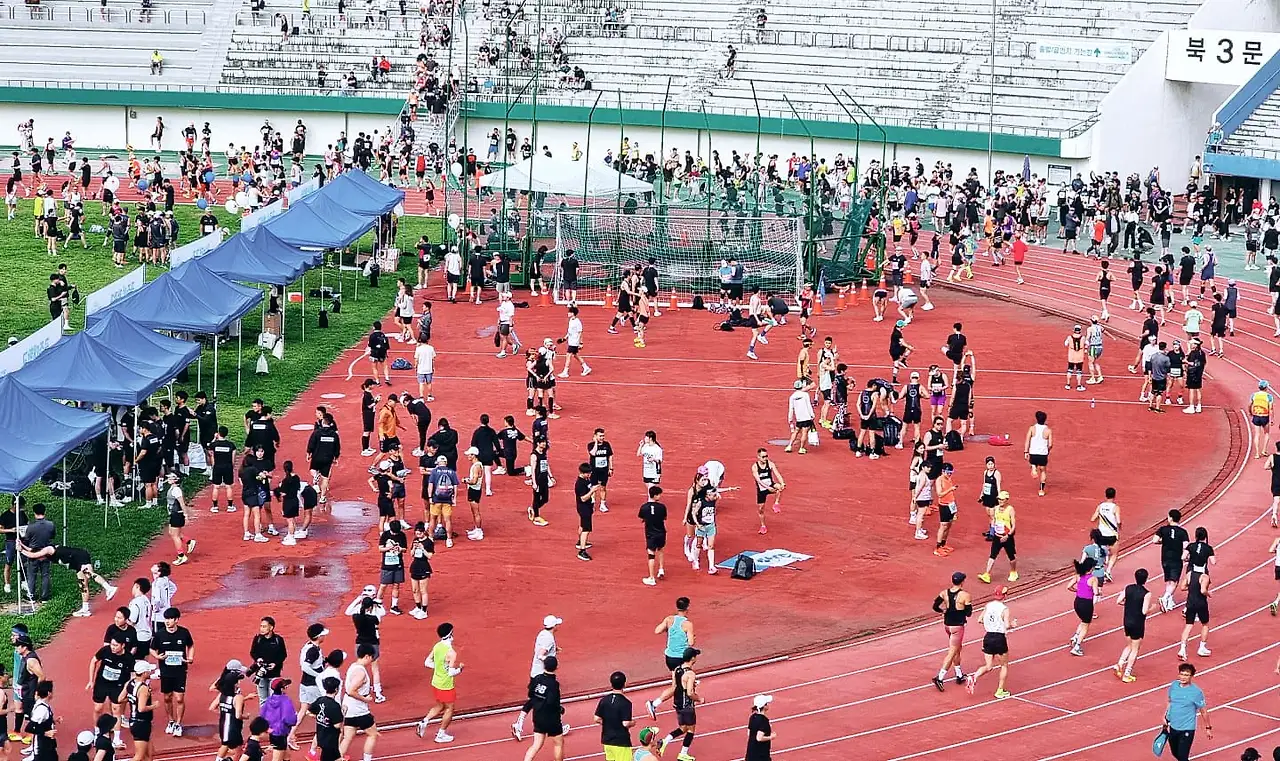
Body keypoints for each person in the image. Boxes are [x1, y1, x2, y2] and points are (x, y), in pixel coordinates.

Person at [19, 542, 118, 616]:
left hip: (79, 556)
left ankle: (109, 588)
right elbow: (32, 550)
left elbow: (33, 554)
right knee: (83, 585)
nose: (40, 559)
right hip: (75, 562)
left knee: (89, 574)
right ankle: (85, 609)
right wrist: (22, 545)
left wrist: (21, 550)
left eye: (39, 558)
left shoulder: (48, 549)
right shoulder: (43, 553)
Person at [512, 616, 563, 740]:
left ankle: (519, 723)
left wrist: (554, 650)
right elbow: (540, 654)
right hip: (541, 675)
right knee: (541, 699)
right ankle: (519, 724)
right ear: (554, 626)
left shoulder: (543, 634)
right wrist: (550, 661)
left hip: (536, 672)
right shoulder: (549, 638)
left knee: (537, 699)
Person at [645, 597, 694, 719]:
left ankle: (680, 702)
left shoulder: (669, 619)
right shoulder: (687, 624)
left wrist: (669, 630)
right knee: (676, 686)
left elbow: (657, 631)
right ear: (687, 608)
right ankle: (654, 704)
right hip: (680, 658)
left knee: (679, 682)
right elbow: (691, 643)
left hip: (669, 657)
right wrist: (691, 638)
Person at [965, 586, 1015, 698]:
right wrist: (1012, 624)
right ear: (1005, 595)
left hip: (988, 637)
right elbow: (1007, 625)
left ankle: (974, 677)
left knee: (989, 666)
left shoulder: (988, 605)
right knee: (1004, 665)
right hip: (999, 638)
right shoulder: (1004, 609)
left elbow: (980, 620)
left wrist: (990, 624)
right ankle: (1000, 690)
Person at [416, 623, 462, 744]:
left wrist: (439, 667)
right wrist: (460, 669)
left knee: (440, 705)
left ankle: (424, 721)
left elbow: (427, 662)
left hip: (436, 682)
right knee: (450, 708)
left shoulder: (437, 646)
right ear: (450, 634)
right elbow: (451, 673)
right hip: (446, 685)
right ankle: (441, 734)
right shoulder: (451, 653)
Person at [657, 648, 701, 761]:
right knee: (691, 730)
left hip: (678, 703)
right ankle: (683, 754)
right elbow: (690, 693)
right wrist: (699, 699)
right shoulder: (690, 673)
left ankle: (664, 741)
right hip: (687, 705)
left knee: (683, 728)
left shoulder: (677, 669)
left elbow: (676, 686)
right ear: (692, 658)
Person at [931, 571, 971, 690]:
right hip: (957, 626)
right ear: (962, 582)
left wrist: (943, 611)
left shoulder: (944, 593)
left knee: (957, 648)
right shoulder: (965, 595)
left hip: (947, 625)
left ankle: (959, 674)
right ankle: (940, 677)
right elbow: (968, 613)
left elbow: (935, 606)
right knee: (953, 651)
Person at [520, 656, 566, 761]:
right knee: (558, 743)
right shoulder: (554, 684)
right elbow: (552, 702)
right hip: (551, 719)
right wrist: (560, 709)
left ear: (544, 665)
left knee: (536, 744)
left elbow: (530, 695)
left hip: (538, 716)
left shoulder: (537, 679)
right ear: (556, 667)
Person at [1116, 568, 1156, 683]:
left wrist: (1129, 605)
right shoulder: (1146, 593)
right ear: (1146, 579)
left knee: (1129, 645)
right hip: (1137, 623)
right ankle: (1127, 673)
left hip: (1127, 621)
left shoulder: (1128, 588)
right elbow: (1144, 611)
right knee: (1135, 648)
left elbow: (1118, 601)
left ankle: (1119, 664)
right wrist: (1152, 608)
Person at [1164, 663, 1211, 761]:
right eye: (1181, 674)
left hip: (1187, 729)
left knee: (1182, 756)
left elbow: (1203, 711)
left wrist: (1208, 728)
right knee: (1175, 752)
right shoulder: (1174, 685)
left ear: (1191, 676)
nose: (1183, 677)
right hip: (1173, 726)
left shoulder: (1196, 692)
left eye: (1186, 675)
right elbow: (1170, 702)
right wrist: (1166, 718)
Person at [338, 646, 379, 758]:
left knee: (347, 738)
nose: (372, 660)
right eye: (372, 657)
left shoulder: (353, 666)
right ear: (367, 656)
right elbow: (351, 690)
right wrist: (365, 699)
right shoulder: (361, 672)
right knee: (373, 734)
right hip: (359, 710)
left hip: (349, 709)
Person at [978, 491, 1018, 583]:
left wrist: (1008, 535)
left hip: (1007, 537)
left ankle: (1013, 572)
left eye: (1002, 499)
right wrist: (992, 532)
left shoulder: (1010, 509)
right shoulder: (996, 508)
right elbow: (994, 520)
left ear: (1007, 500)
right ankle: (987, 574)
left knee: (1011, 556)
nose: (1000, 501)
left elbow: (1013, 525)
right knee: (992, 555)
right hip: (997, 536)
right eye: (999, 499)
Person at [593, 671, 634, 761]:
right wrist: (633, 723)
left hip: (607, 741)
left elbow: (596, 719)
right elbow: (626, 723)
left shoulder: (604, 700)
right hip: (621, 742)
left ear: (611, 684)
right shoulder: (626, 703)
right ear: (624, 684)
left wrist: (608, 723)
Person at [1067, 557, 1099, 657]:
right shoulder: (1093, 579)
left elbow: (1069, 586)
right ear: (1091, 568)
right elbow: (1096, 592)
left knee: (1083, 621)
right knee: (1086, 625)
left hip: (1077, 602)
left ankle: (1076, 636)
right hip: (1086, 603)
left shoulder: (1078, 576)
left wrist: (1077, 590)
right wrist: (1098, 592)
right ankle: (1077, 646)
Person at [639, 486, 668, 586]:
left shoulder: (644, 507)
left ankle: (652, 577)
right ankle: (661, 569)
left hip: (650, 534)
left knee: (651, 554)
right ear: (655, 495)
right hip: (661, 532)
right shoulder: (662, 507)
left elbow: (641, 518)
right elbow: (664, 518)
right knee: (661, 549)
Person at [752, 449, 784, 535]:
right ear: (758, 457)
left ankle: (776, 503)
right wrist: (767, 488)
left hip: (770, 484)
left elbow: (777, 474)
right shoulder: (755, 467)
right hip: (762, 489)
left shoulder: (770, 464)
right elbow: (758, 480)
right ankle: (763, 526)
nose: (765, 458)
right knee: (761, 509)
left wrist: (782, 482)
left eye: (766, 456)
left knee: (779, 487)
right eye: (763, 457)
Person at [1023, 410, 1052, 496]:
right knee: (1043, 471)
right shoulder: (1048, 430)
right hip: (1043, 454)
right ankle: (1041, 490)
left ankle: (1033, 467)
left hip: (1033, 453)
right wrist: (1047, 451)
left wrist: (1026, 451)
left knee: (1032, 462)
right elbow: (1050, 444)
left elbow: (1027, 440)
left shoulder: (1032, 428)